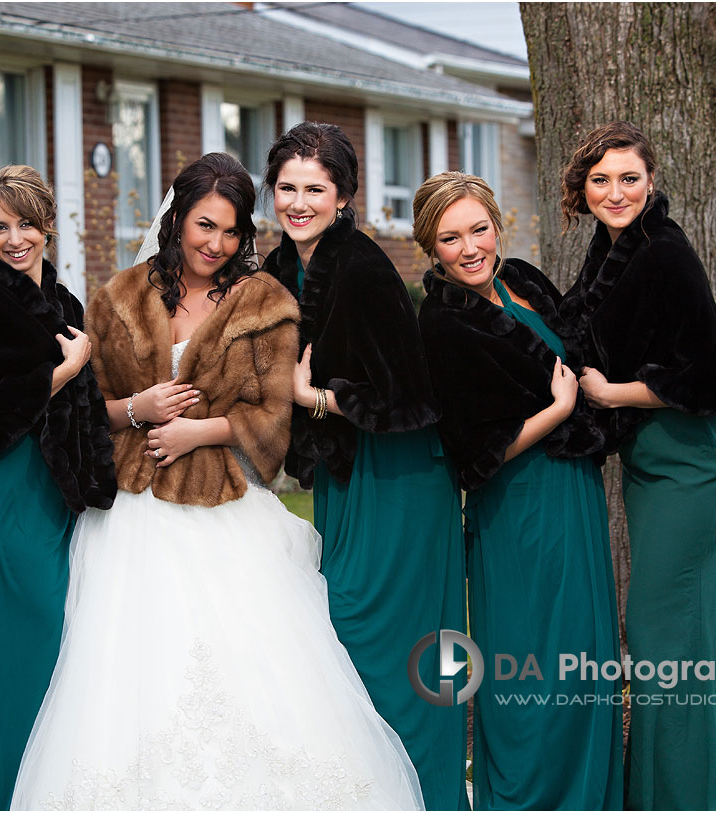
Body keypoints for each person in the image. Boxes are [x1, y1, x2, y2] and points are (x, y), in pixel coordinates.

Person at [9, 152, 423, 810]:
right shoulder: (120, 297)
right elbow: (92, 408)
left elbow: (271, 414)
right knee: (136, 666)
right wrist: (142, 411)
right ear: (176, 219)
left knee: (255, 664)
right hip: (137, 511)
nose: (216, 243)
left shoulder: (261, 301)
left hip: (227, 497)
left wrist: (198, 431)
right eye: (205, 225)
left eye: (231, 232)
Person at [557, 121, 716, 810]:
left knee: (659, 627)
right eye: (601, 180)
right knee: (697, 629)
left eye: (629, 178)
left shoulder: (665, 253)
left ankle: (690, 794)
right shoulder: (613, 246)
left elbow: (705, 375)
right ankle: (703, 789)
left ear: (652, 182)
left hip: (693, 462)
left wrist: (607, 392)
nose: (616, 192)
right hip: (655, 464)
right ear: (582, 188)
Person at [259, 122, 467, 810]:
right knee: (346, 634)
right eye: (287, 186)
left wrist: (311, 396)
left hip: (401, 476)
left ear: (343, 195)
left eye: (314, 188)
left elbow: (406, 399)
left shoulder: (365, 269)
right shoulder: (281, 267)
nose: (298, 201)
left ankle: (423, 793)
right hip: (347, 476)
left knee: (386, 641)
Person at [413, 171, 623, 810]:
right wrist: (559, 413)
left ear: (498, 226)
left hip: (576, 492)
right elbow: (475, 453)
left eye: (479, 229)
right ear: (431, 247)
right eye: (451, 238)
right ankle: (525, 797)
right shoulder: (444, 324)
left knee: (585, 651)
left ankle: (588, 794)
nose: (470, 247)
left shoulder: (525, 280)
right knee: (531, 656)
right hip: (518, 504)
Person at [0, 165, 117, 809]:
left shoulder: (66, 302)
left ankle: (49, 788)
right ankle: (9, 790)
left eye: (25, 223)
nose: (14, 238)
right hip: (12, 477)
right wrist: (66, 366)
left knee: (61, 632)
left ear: (47, 224)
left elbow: (84, 410)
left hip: (58, 488)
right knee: (30, 628)